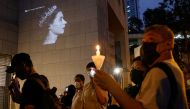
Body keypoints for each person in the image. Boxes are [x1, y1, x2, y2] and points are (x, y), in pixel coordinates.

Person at [94, 25, 189, 109]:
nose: (145, 45)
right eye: (144, 42)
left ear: (168, 44)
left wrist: (112, 86)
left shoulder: (159, 71)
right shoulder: (172, 68)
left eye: (151, 39)